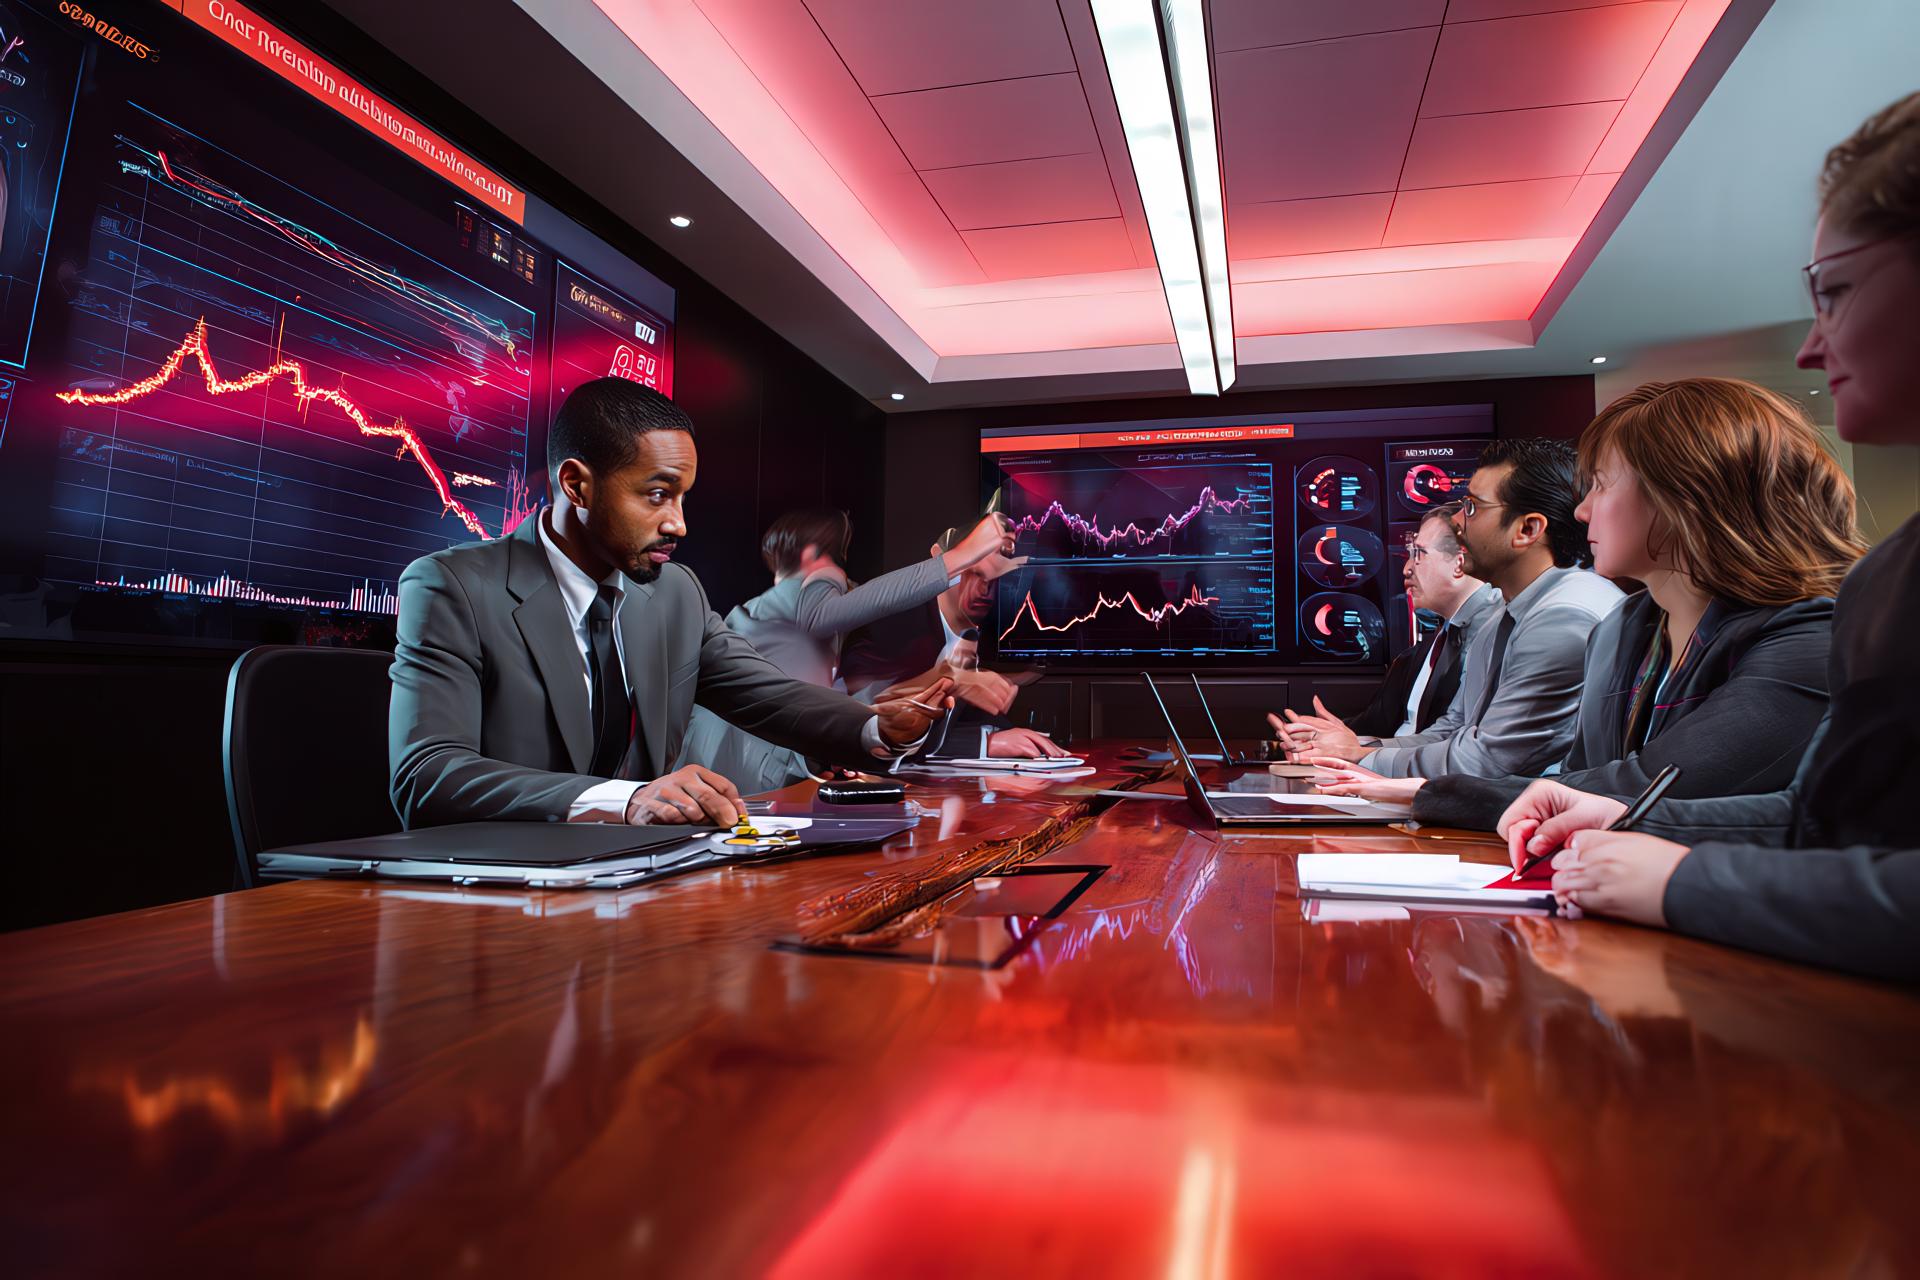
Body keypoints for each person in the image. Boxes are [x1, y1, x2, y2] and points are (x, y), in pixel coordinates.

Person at [1495, 92, 1920, 982]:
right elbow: (1825, 828)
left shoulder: (1814, 629)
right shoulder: (1892, 578)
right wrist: (1624, 824)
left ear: (1683, 500)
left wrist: (1685, 878)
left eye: (1835, 290)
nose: (1811, 347)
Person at [388, 378, 952, 829]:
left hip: (636, 892)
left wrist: (877, 730)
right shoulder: (450, 587)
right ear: (577, 485)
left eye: (682, 497)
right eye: (657, 495)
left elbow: (769, 696)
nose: (678, 523)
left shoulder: (674, 592)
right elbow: (429, 775)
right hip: (493, 911)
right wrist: (625, 801)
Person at [1313, 379, 1859, 823]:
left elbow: (1647, 788)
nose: (1581, 511)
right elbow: (1578, 777)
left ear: (1684, 500)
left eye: (1601, 485)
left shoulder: (1809, 640)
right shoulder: (1626, 626)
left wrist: (1431, 794)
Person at [1273, 438, 1623, 779]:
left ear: (1527, 529)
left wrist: (1361, 760)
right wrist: (1358, 752)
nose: (1457, 520)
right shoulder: (1503, 616)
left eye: (1471, 506)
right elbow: (1453, 732)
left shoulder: (1562, 616)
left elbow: (1489, 762)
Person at [677, 506, 1013, 791]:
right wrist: (959, 557)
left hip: (736, 753)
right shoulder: (823, 578)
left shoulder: (777, 603)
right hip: (744, 760)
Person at [839, 523, 1066, 760]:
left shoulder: (972, 635)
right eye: (974, 572)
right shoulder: (891, 621)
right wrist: (983, 743)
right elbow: (868, 723)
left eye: (996, 576)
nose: (985, 590)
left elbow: (961, 721)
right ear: (942, 561)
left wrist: (1011, 735)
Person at [1344, 501, 1499, 739]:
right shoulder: (1428, 648)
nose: (1406, 568)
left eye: (1418, 554)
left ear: (1459, 564)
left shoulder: (1492, 637)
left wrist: (1362, 751)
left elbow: (1454, 740)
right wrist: (1332, 738)